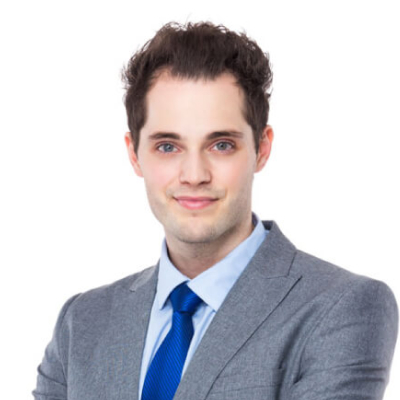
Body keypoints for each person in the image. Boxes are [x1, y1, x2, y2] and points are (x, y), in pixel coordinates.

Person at [33, 21, 398, 400]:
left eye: (221, 145)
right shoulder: (82, 322)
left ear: (262, 148)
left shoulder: (342, 307)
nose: (194, 175)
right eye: (168, 147)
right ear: (134, 154)